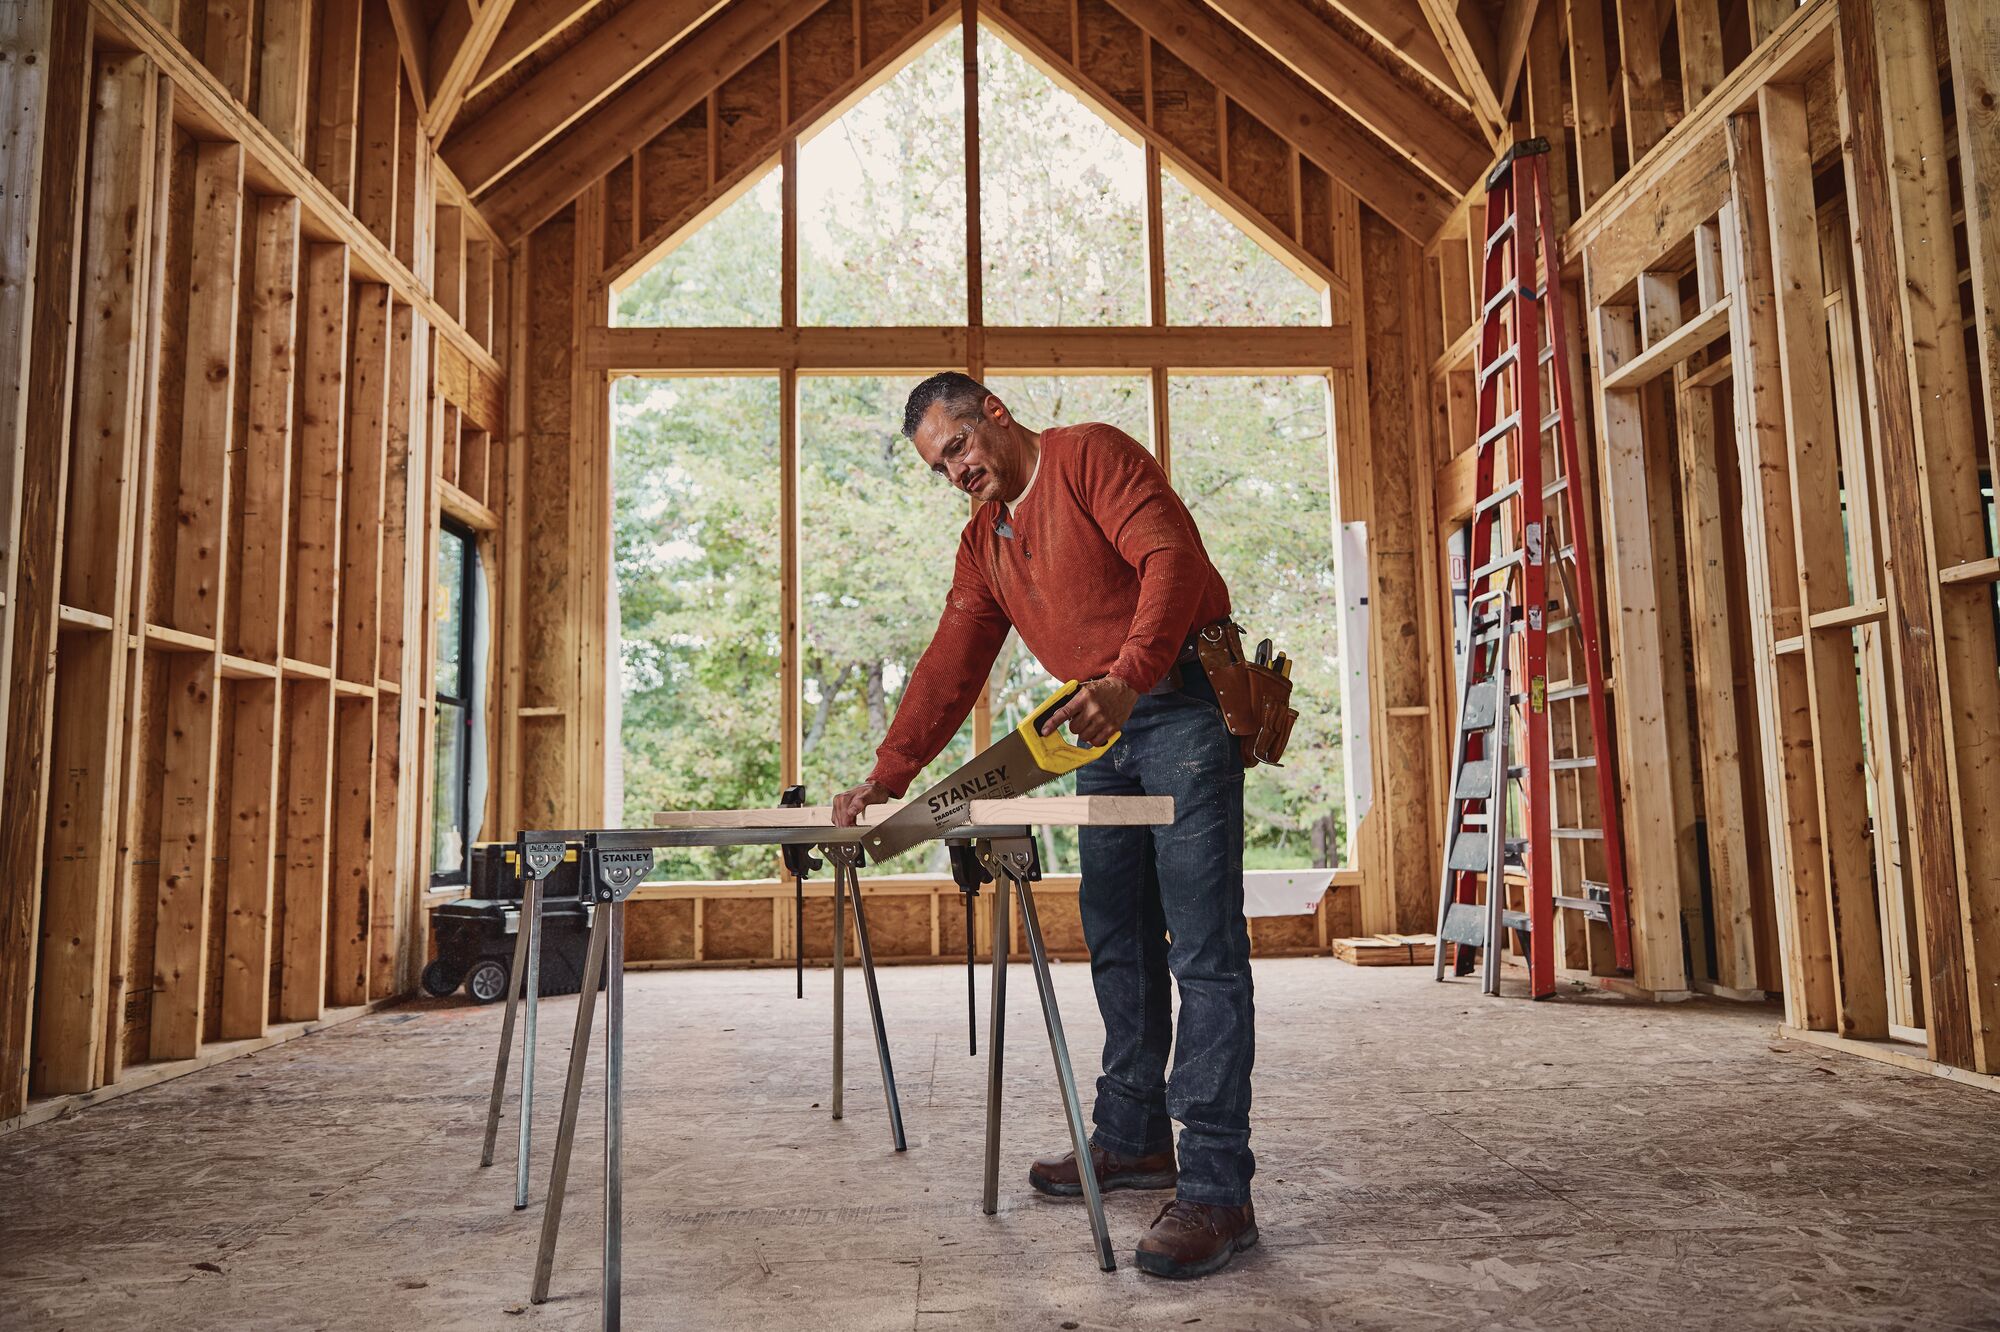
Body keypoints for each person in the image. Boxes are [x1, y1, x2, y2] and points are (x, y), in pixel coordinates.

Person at [831, 372, 1258, 1279]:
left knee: (1204, 952)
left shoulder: (1089, 455)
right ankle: (1134, 1138)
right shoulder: (984, 542)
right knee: (1116, 937)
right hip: (1092, 726)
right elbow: (952, 663)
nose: (956, 472)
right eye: (938, 467)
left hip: (1175, 700)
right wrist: (889, 773)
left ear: (996, 413)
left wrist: (1131, 675)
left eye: (958, 448)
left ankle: (1220, 1189)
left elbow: (1170, 561)